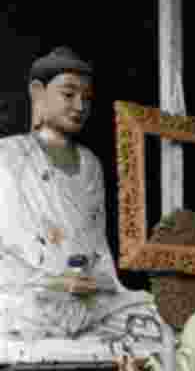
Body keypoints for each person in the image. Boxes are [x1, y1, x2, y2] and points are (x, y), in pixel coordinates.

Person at [0, 47, 163, 344]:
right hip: (30, 297)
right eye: (68, 94)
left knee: (152, 319)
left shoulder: (90, 164)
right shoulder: (7, 156)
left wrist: (97, 281)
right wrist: (54, 282)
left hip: (88, 300)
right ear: (38, 92)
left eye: (87, 99)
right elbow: (8, 250)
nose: (80, 106)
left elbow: (96, 247)